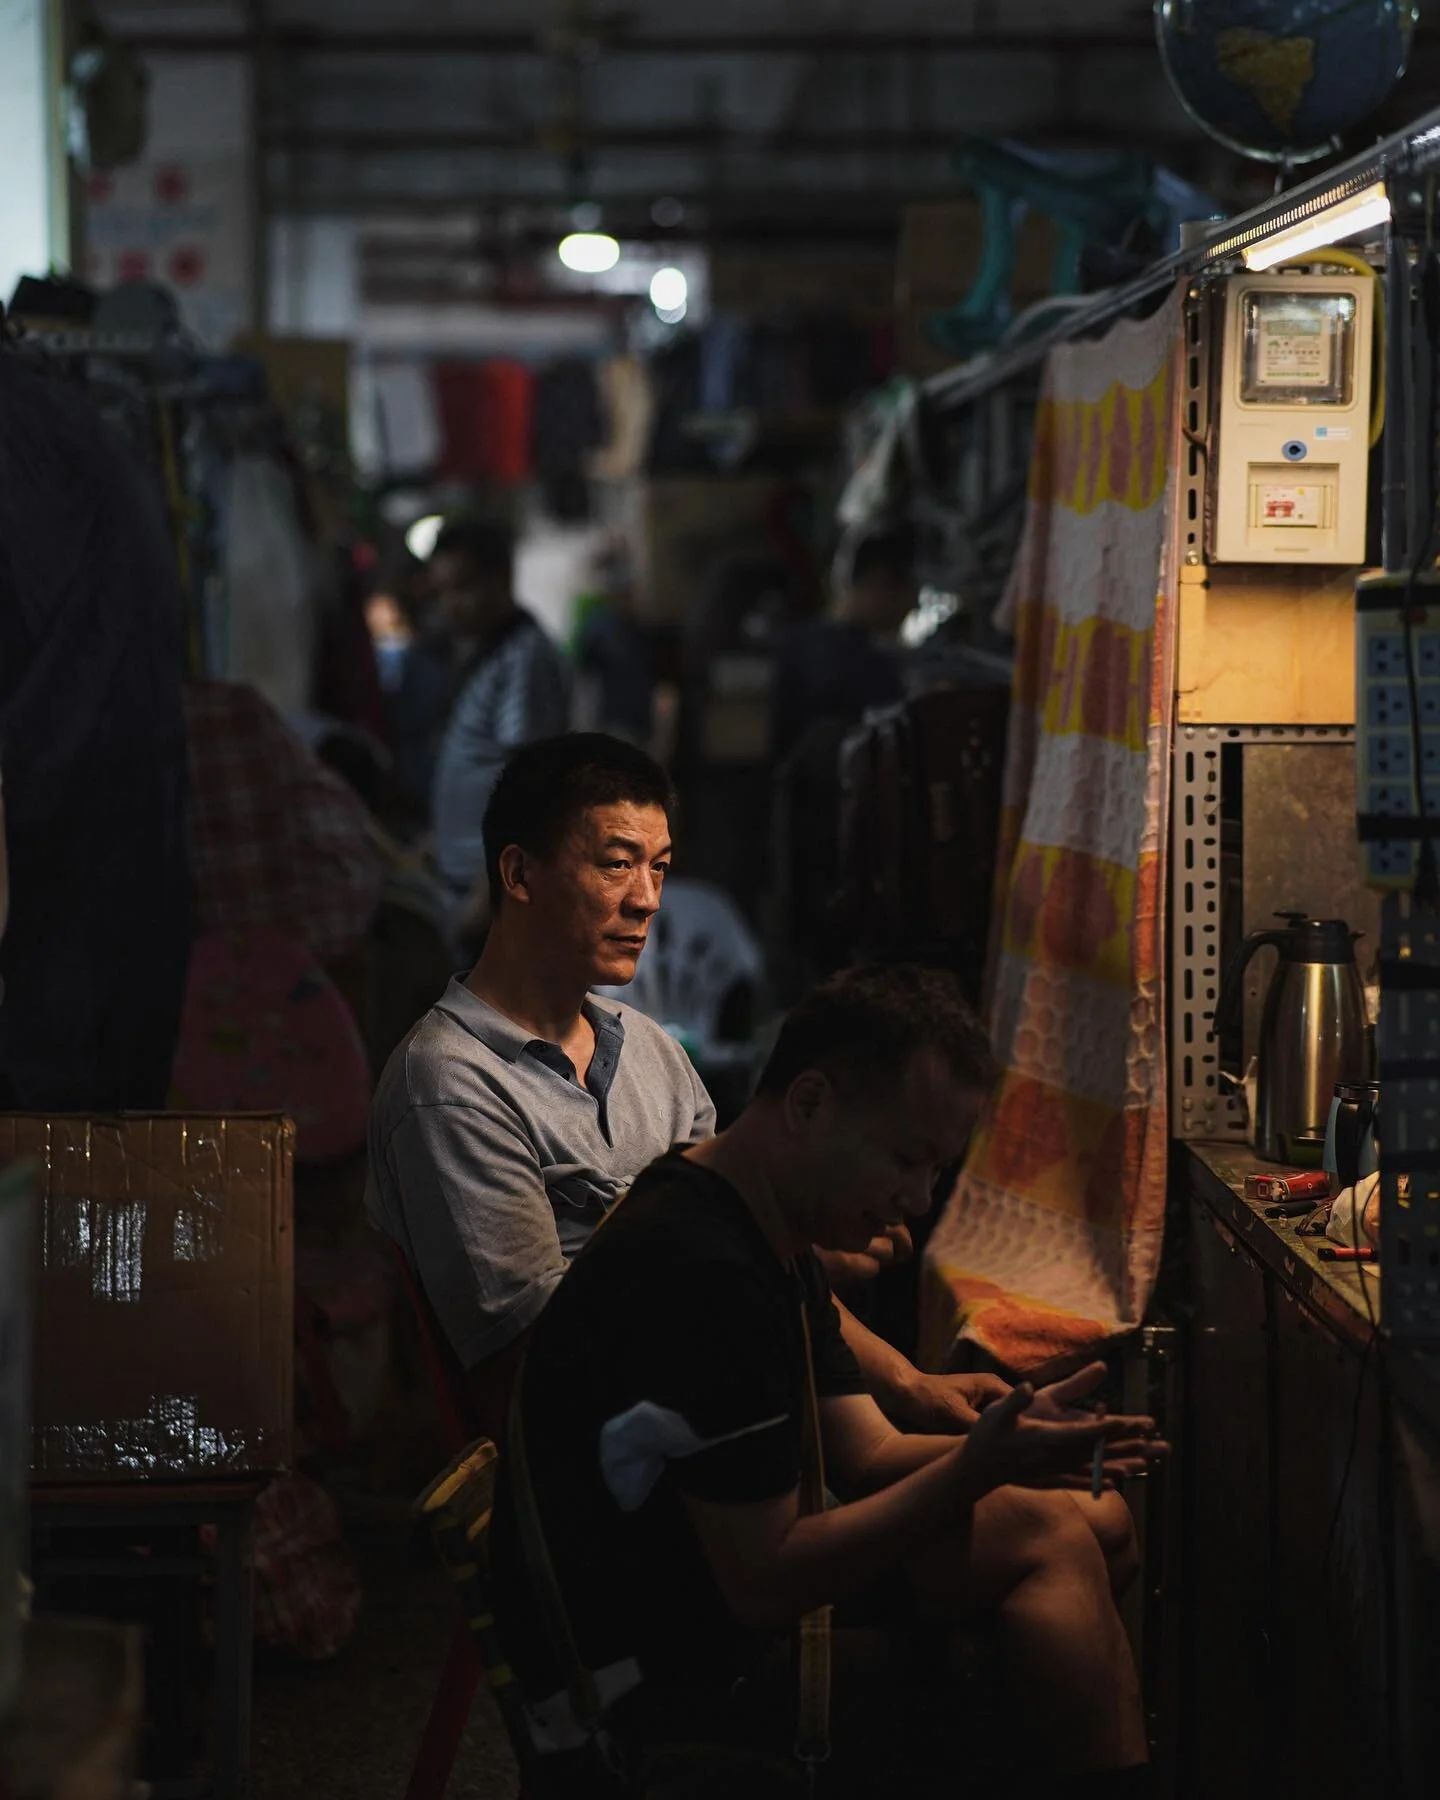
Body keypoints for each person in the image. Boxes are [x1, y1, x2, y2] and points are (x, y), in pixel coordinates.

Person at [490, 964, 1161, 1797]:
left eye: (935, 1170)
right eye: (905, 1160)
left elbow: (870, 1453)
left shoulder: (760, 1222)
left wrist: (1015, 1451)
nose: (916, 1200)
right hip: (639, 1693)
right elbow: (767, 1582)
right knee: (1051, 1548)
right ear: (809, 1104)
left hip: (716, 1600)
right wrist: (975, 1468)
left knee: (1097, 1518)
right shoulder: (699, 1270)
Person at [427, 516, 570, 908]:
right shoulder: (488, 653)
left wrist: (489, 888)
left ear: (503, 576)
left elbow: (529, 781)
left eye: (463, 587)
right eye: (441, 592)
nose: (449, 606)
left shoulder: (524, 658)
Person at [770, 521, 917, 764]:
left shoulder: (796, 643)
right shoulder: (870, 666)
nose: (910, 606)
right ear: (878, 580)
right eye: (907, 592)